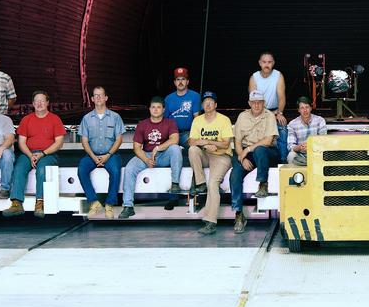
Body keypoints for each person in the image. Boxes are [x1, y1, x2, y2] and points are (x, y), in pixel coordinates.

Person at [118, 97, 183, 218]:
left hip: (163, 155)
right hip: (146, 155)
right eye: (153, 107)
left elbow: (175, 139)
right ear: (149, 109)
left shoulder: (170, 122)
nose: (156, 110)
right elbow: (137, 147)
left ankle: (175, 185)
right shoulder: (142, 124)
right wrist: (146, 160)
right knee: (130, 168)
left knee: (175, 148)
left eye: (159, 107)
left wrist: (158, 148)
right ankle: (128, 206)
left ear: (163, 109)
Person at [5, 91, 66, 216]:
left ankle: (40, 203)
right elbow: (22, 142)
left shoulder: (55, 119)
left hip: (48, 154)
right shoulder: (26, 120)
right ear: (33, 103)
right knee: (19, 168)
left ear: (47, 103)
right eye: (36, 101)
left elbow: (59, 143)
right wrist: (30, 155)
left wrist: (43, 154)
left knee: (42, 169)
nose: (39, 103)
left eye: (42, 100)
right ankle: (16, 203)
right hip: (29, 153)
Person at [230, 89, 278, 232]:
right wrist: (242, 156)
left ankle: (263, 184)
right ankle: (238, 214)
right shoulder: (242, 117)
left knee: (260, 149)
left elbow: (268, 141)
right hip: (246, 152)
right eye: (254, 103)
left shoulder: (269, 115)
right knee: (235, 175)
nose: (257, 105)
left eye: (260, 103)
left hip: (267, 152)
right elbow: (237, 142)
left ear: (264, 103)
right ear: (249, 103)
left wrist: (248, 149)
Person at [186, 91, 233, 235]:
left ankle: (210, 222)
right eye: (205, 101)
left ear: (216, 104)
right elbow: (191, 141)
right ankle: (200, 183)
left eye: (211, 101)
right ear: (202, 105)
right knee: (193, 150)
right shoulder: (198, 120)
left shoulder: (223, 119)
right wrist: (206, 145)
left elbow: (225, 144)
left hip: (221, 156)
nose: (208, 103)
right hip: (206, 153)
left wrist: (208, 142)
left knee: (213, 183)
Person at [77, 86, 125, 220]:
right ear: (92, 99)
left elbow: (119, 139)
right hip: (91, 155)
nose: (98, 97)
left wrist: (108, 155)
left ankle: (109, 204)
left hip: (110, 155)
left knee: (115, 170)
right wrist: (93, 156)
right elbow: (84, 141)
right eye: (95, 95)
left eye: (101, 95)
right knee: (81, 169)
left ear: (106, 98)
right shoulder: (86, 118)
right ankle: (94, 202)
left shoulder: (115, 117)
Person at [248, 51, 288, 163]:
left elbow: (281, 97)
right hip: (257, 111)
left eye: (269, 62)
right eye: (264, 62)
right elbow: (254, 100)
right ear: (260, 63)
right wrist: (268, 115)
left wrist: (279, 113)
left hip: (275, 110)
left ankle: (283, 160)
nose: (267, 64)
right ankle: (252, 159)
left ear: (273, 63)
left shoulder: (278, 75)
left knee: (282, 127)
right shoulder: (254, 77)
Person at [164, 66, 202, 147]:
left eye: (183, 79)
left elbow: (197, 118)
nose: (180, 82)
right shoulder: (168, 98)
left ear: (187, 82)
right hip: (172, 134)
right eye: (178, 79)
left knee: (196, 146)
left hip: (188, 133)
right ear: (174, 82)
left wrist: (195, 136)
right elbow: (164, 119)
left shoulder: (195, 96)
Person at [285, 96, 326, 166]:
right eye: (302, 108)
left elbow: (323, 140)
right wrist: (299, 147)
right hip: (300, 154)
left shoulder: (320, 120)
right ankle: (296, 176)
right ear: (298, 110)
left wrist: (310, 146)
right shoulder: (292, 124)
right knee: (291, 156)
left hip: (316, 153)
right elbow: (290, 145)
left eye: (307, 107)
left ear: (311, 108)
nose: (305, 110)